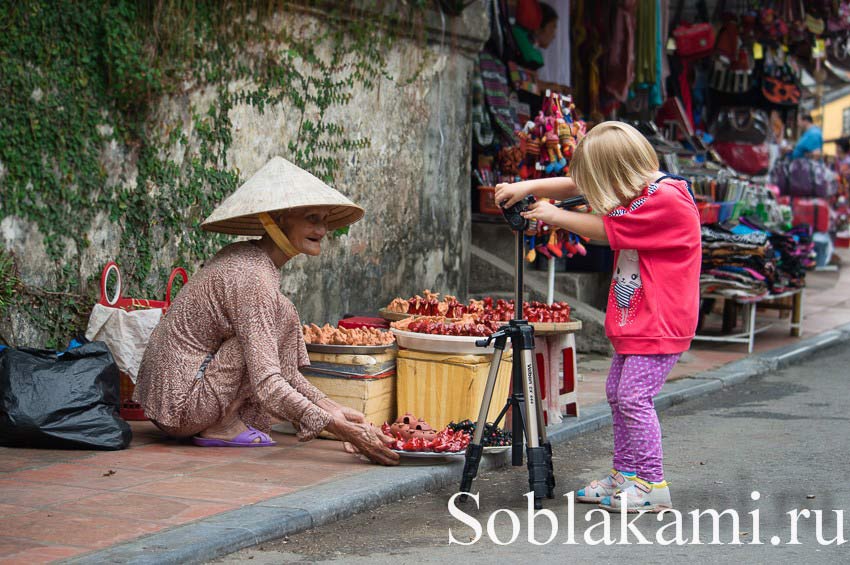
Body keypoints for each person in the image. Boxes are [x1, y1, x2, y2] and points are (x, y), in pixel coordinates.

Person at [134, 156, 399, 466]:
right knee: (262, 332)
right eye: (312, 217)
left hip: (188, 395)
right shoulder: (252, 276)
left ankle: (222, 420)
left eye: (325, 219)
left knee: (283, 313)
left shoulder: (254, 263)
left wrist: (332, 408)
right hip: (181, 407)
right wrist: (344, 431)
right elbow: (269, 383)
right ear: (278, 219)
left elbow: (284, 372)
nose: (322, 229)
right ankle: (219, 426)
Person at [495, 122, 701, 512]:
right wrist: (528, 187)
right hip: (639, 319)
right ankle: (626, 475)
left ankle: (652, 484)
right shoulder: (642, 186)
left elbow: (605, 230)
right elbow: (578, 184)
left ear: (617, 172)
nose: (591, 187)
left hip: (661, 321)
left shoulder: (665, 199)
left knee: (633, 398)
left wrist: (551, 214)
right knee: (617, 395)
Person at [511, 2, 559, 70]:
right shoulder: (529, 57)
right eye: (552, 27)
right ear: (538, 27)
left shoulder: (520, 40)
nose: (554, 36)